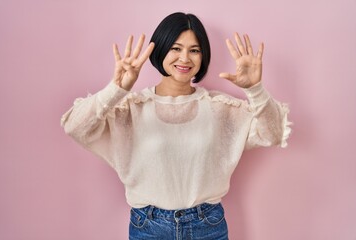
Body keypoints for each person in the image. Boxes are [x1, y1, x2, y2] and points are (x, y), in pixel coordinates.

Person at [61, 12, 291, 240]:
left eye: (194, 50)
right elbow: (75, 127)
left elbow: (271, 133)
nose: (185, 58)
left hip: (207, 225)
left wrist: (255, 90)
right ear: (160, 48)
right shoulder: (131, 109)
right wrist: (116, 89)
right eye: (176, 48)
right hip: (148, 227)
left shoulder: (219, 108)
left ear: (203, 57)